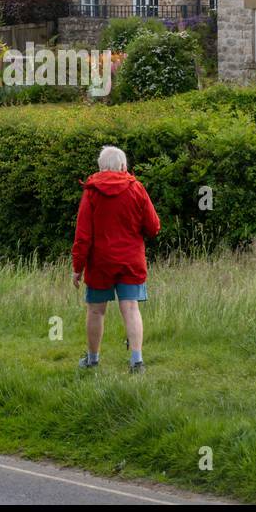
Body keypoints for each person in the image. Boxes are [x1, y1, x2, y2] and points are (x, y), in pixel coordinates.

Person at [72, 145, 161, 373]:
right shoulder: (137, 189)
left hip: (100, 262)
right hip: (130, 259)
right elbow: (153, 227)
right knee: (131, 308)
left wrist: (77, 267)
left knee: (95, 310)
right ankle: (136, 361)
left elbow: (83, 235)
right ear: (123, 166)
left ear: (101, 168)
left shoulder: (92, 191)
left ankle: (92, 360)